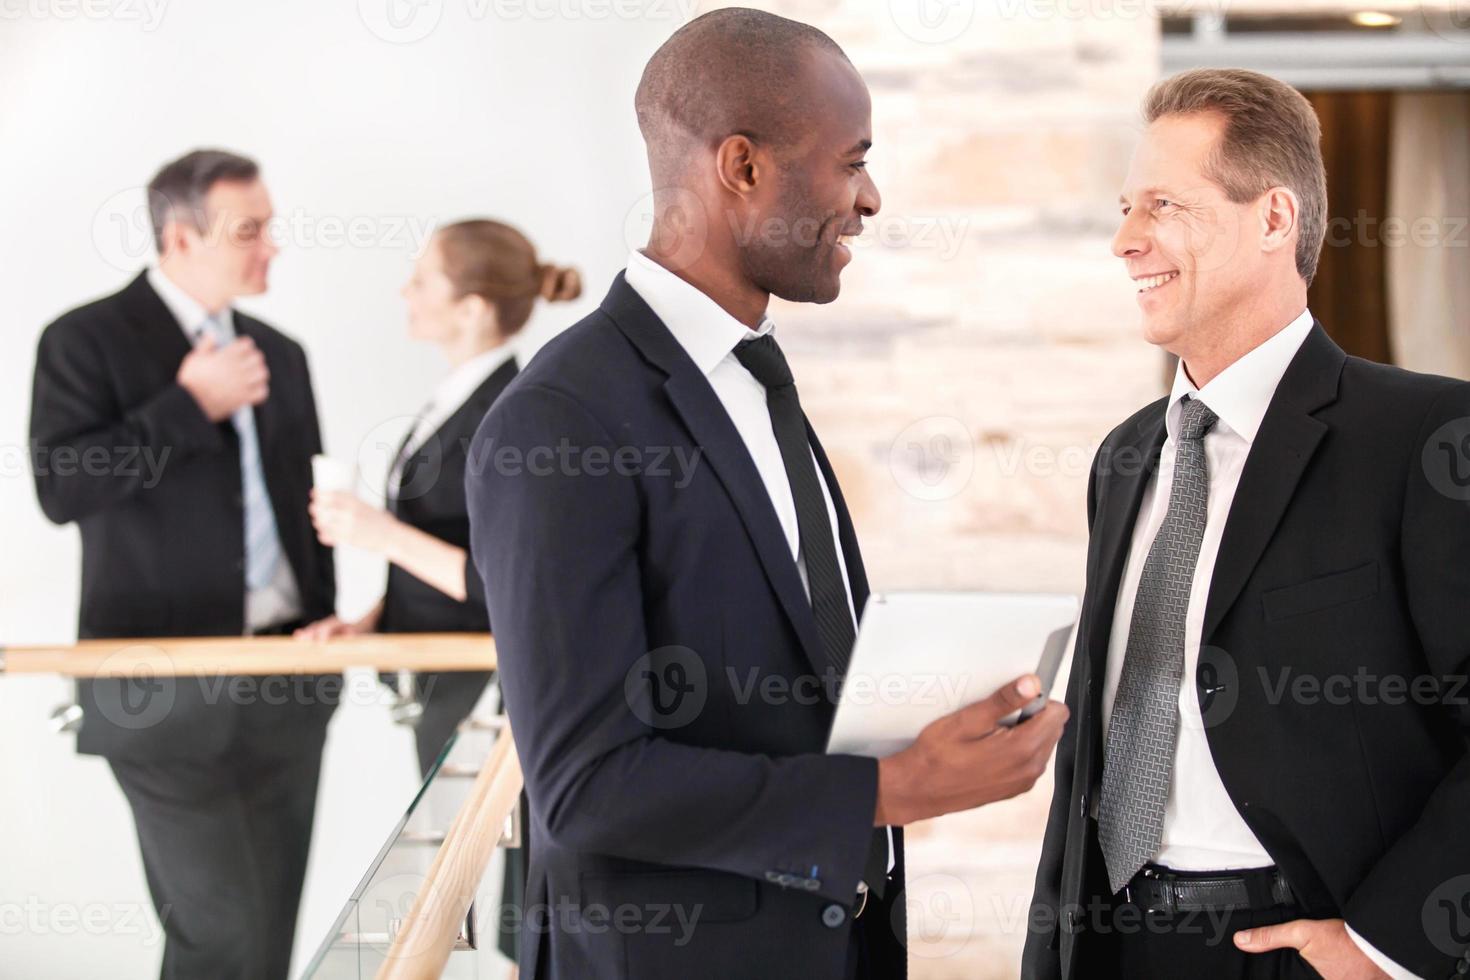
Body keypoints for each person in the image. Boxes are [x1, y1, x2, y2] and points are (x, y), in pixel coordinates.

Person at [465, 9, 1069, 980]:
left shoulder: (755, 373)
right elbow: (588, 783)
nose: (870, 197)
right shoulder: (559, 420)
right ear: (741, 167)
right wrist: (887, 787)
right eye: (851, 160)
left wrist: (931, 727)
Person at [1023, 68, 1470, 980]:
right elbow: (1097, 756)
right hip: (1119, 946)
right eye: (1124, 207)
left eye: (1163, 206)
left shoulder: (1425, 438)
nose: (1125, 241)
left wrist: (1387, 949)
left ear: (1274, 220)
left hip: (1311, 946)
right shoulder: (1125, 456)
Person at [28, 148, 336, 980]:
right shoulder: (84, 339)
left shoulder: (283, 351)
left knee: (266, 937)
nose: (270, 246)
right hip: (156, 689)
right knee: (221, 930)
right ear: (180, 236)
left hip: (289, 685)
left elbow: (311, 513)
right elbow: (60, 488)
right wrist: (188, 405)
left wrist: (330, 637)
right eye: (250, 230)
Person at [297, 218, 579, 968]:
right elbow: (451, 554)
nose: (405, 292)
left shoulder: (511, 411)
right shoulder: (457, 399)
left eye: (423, 279)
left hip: (488, 695)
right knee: (464, 897)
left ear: (474, 307)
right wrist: (369, 623)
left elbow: (501, 580)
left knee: (489, 897)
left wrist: (371, 530)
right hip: (443, 684)